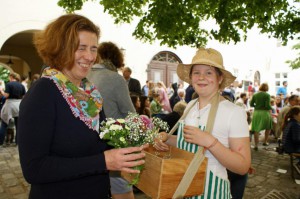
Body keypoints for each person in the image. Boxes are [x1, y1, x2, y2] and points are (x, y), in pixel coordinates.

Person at [18, 14, 146, 199]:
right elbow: (35, 169)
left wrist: (133, 140)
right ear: (60, 48)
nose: (90, 57)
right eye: (81, 48)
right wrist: (103, 161)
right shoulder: (43, 92)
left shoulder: (91, 92)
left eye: (94, 49)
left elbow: (96, 143)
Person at [154, 48, 251, 198]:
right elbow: (187, 141)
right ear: (191, 77)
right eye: (196, 72)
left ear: (219, 79)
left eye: (209, 72)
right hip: (182, 187)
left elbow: (243, 166)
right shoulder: (191, 105)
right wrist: (167, 138)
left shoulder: (234, 113)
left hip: (211, 192)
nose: (201, 77)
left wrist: (210, 142)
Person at [87, 41, 137, 199]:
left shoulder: (85, 75)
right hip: (113, 142)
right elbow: (131, 114)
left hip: (88, 143)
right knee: (122, 190)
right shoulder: (115, 78)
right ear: (117, 59)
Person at [0, 72, 26, 146]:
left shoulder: (9, 84)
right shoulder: (21, 85)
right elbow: (24, 96)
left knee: (4, 123)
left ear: (11, 77)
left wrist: (2, 91)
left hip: (10, 104)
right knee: (18, 125)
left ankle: (1, 141)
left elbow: (7, 95)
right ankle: (17, 142)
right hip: (19, 104)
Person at [250, 83, 273, 150]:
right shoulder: (267, 95)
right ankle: (265, 141)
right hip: (265, 113)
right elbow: (267, 105)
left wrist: (256, 106)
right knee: (268, 127)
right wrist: (271, 108)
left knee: (256, 129)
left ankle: (256, 145)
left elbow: (251, 104)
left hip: (257, 112)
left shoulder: (255, 94)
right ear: (267, 88)